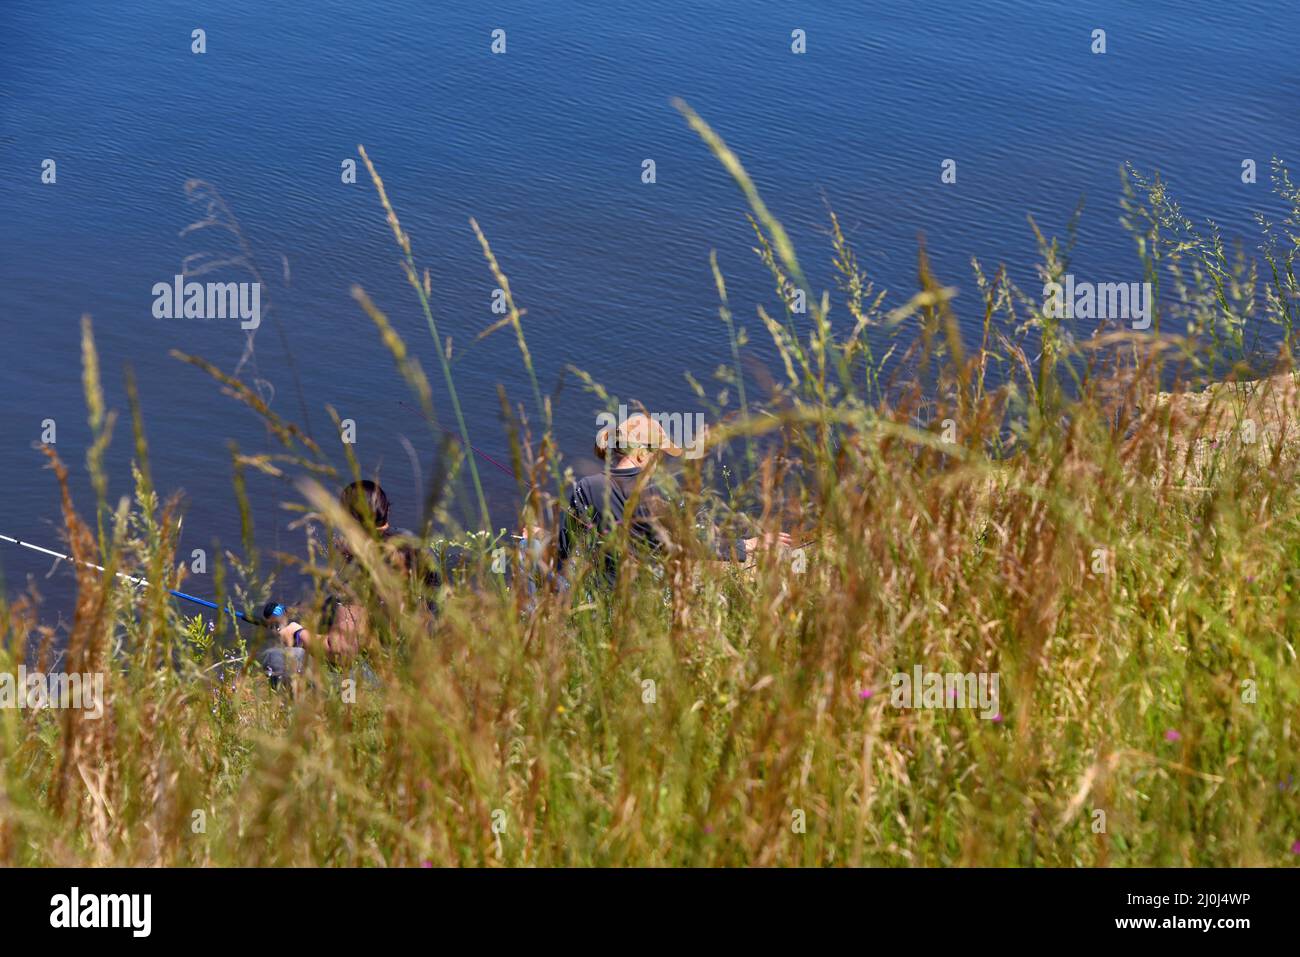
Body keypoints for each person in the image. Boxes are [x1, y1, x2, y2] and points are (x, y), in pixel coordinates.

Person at [552, 412, 790, 587]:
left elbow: (565, 548)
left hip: (599, 594)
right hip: (645, 600)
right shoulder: (654, 495)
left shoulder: (586, 487)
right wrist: (748, 545)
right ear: (642, 453)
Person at [259, 480, 431, 688]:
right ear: (386, 512)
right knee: (328, 607)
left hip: (386, 683)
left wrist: (296, 634)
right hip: (430, 669)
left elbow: (341, 652)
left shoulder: (360, 566)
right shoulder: (411, 543)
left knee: (274, 658)